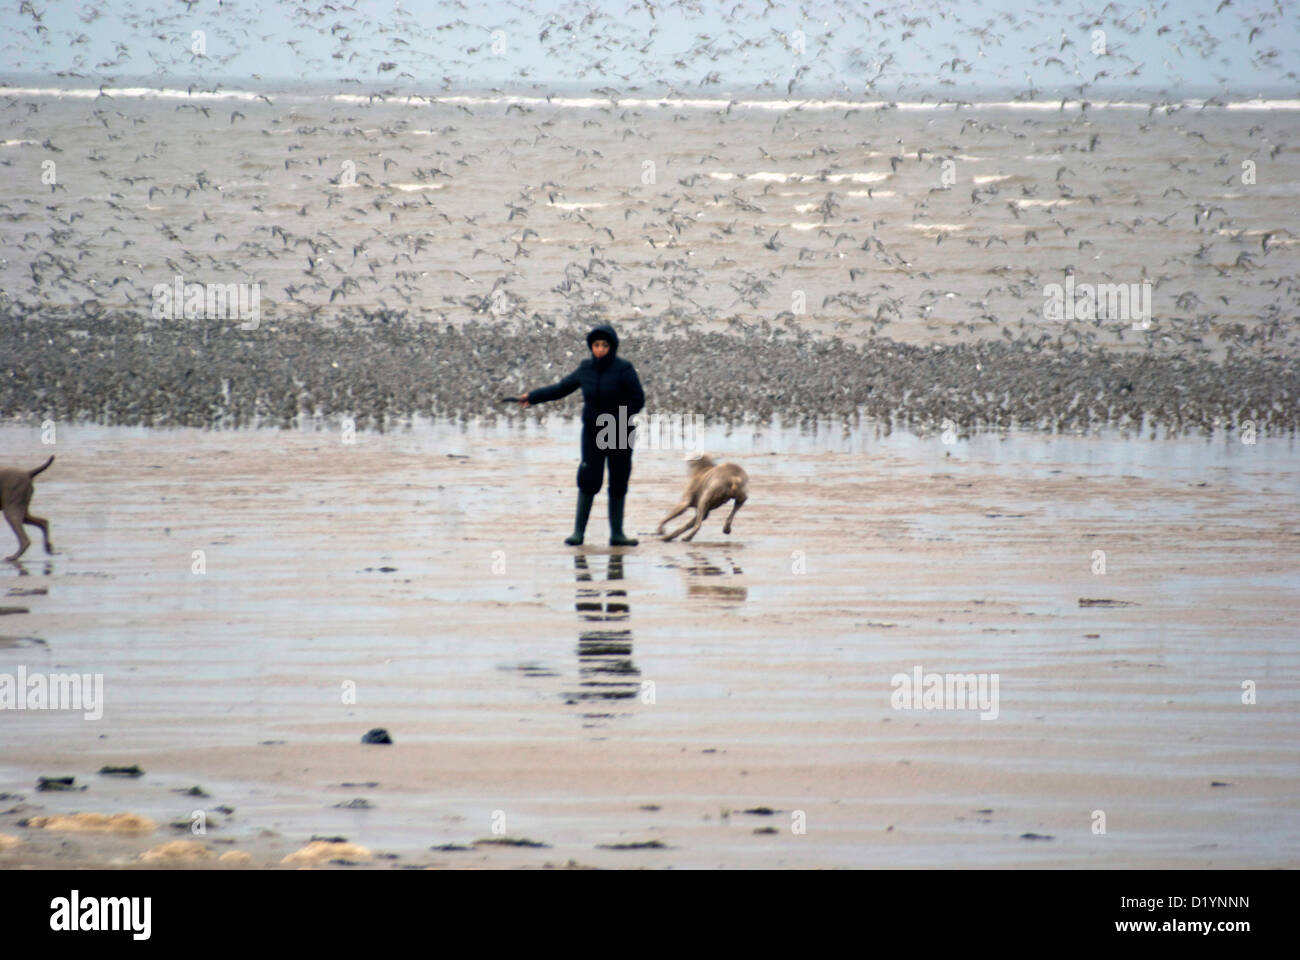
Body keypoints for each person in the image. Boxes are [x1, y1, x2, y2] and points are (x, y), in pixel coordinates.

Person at [519, 324, 645, 546]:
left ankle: (617, 534)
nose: (599, 349)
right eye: (596, 345)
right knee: (589, 479)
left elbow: (638, 399)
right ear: (591, 347)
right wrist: (533, 396)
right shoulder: (585, 368)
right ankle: (579, 533)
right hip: (593, 432)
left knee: (618, 480)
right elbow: (561, 388)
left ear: (612, 347)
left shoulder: (624, 369)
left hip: (619, 431)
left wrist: (619, 420)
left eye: (604, 345)